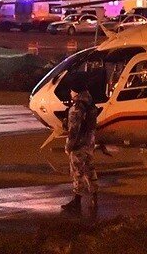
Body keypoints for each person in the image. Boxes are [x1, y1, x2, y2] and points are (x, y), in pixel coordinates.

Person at [61, 77, 99, 218]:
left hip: (79, 145)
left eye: (71, 91)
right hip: (89, 143)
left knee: (77, 172)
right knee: (90, 170)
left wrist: (68, 146)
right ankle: (95, 196)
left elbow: (74, 131)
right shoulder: (90, 104)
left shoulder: (77, 108)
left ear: (75, 91)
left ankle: (77, 201)